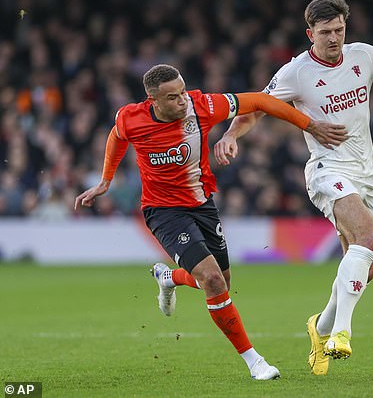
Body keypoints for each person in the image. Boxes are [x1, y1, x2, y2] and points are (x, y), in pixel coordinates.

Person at [213, 0, 373, 375]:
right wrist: (232, 135)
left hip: (366, 173)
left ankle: (322, 325)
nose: (334, 39)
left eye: (340, 30)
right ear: (309, 33)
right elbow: (258, 107)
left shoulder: (362, 55)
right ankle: (342, 334)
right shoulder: (296, 72)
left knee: (367, 267)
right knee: (367, 239)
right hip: (327, 170)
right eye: (326, 32)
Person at [74, 64, 347, 380]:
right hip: (163, 211)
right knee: (213, 281)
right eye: (173, 97)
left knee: (221, 283)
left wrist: (310, 125)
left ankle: (170, 278)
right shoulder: (131, 117)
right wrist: (106, 180)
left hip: (202, 205)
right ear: (153, 99)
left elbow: (260, 101)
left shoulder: (201, 106)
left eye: (183, 92)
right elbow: (117, 136)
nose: (182, 101)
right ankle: (254, 361)